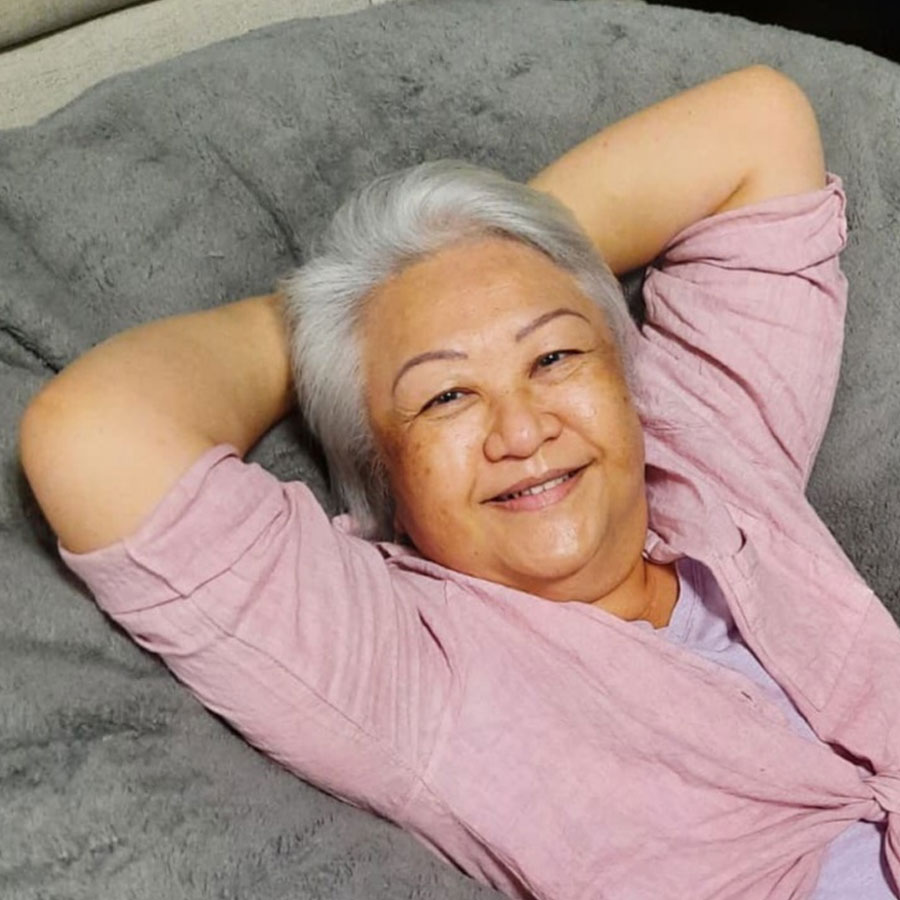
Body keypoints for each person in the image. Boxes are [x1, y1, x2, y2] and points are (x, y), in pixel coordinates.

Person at [17, 64, 900, 900]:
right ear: (383, 476)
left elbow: (757, 125)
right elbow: (97, 435)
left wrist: (490, 254)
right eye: (445, 397)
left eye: (554, 356)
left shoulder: (707, 442)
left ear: (623, 380)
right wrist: (336, 314)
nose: (522, 431)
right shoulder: (409, 665)